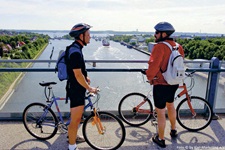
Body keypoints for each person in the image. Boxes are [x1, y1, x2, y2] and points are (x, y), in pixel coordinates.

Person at [144, 22, 184, 148]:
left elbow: (153, 66)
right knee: (171, 106)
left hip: (161, 84)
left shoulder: (159, 47)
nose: (154, 35)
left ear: (163, 34)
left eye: (156, 32)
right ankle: (173, 130)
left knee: (161, 112)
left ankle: (160, 139)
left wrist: (149, 77)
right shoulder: (178, 46)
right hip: (174, 82)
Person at [67, 23, 98, 150]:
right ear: (81, 36)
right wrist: (89, 88)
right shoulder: (75, 52)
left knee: (75, 118)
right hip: (76, 89)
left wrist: (86, 77)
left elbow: (80, 72)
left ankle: (72, 137)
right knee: (75, 120)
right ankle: (72, 147)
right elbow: (77, 75)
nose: (90, 37)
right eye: (88, 35)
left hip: (76, 87)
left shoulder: (75, 48)